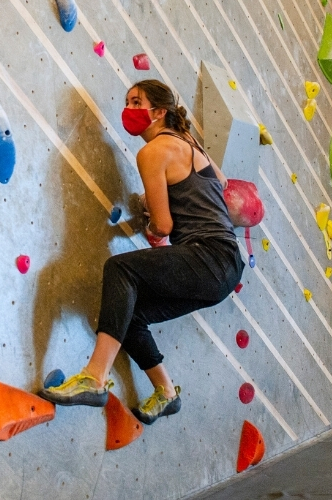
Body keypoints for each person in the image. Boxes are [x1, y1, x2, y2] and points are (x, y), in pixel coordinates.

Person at [38, 80, 244, 424]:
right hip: (226, 265)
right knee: (129, 313)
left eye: (137, 101)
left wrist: (151, 215)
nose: (129, 109)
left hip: (207, 256)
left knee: (121, 270)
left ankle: (94, 377)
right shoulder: (189, 143)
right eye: (127, 101)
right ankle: (166, 392)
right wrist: (165, 201)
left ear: (159, 112)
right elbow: (220, 183)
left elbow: (162, 227)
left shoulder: (152, 152)